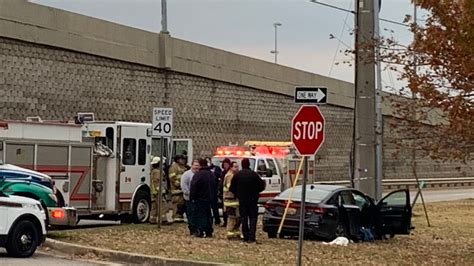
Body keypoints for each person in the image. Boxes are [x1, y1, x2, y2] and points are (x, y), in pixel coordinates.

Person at [230, 158, 265, 243]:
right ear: (249, 164)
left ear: (242, 165)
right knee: (253, 218)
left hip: (242, 201)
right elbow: (261, 186)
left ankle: (245, 236)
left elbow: (232, 188)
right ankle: (252, 237)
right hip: (253, 200)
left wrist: (238, 194)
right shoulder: (254, 175)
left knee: (244, 218)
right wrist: (256, 192)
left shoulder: (238, 175)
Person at [189, 158, 216, 238]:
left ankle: (200, 231)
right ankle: (209, 231)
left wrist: (192, 197)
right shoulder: (211, 174)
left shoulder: (198, 175)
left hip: (200, 198)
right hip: (209, 198)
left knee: (200, 215)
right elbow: (215, 185)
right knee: (208, 215)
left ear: (200, 165)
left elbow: (193, 187)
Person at [149, 156, 173, 224]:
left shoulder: (153, 171)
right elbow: (157, 182)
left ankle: (152, 219)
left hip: (153, 192)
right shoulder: (157, 172)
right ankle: (163, 219)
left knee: (154, 206)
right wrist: (161, 191)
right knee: (163, 205)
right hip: (158, 192)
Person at [181, 159, 200, 235]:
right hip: (188, 198)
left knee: (196, 214)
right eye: (195, 165)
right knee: (190, 214)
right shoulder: (186, 174)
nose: (196, 167)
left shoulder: (199, 174)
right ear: (192, 165)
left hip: (198, 199)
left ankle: (197, 228)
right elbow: (183, 185)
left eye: (198, 165)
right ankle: (192, 229)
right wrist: (188, 194)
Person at [223, 161, 241, 239]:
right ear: (231, 167)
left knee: (236, 218)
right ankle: (230, 234)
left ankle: (235, 233)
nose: (237, 168)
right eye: (235, 167)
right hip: (230, 201)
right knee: (232, 218)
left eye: (237, 167)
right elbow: (231, 188)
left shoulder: (233, 175)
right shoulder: (230, 176)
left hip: (234, 200)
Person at [168, 155, 187, 222]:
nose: (184, 161)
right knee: (176, 203)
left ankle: (179, 216)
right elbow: (172, 178)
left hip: (182, 189)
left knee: (181, 203)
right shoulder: (174, 167)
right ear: (178, 160)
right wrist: (178, 184)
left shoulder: (183, 167)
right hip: (176, 189)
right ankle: (175, 216)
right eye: (182, 159)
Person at [205, 157, 222, 225]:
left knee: (215, 207)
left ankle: (217, 220)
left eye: (208, 161)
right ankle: (209, 220)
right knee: (207, 207)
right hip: (206, 191)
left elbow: (219, 176)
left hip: (214, 189)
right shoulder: (205, 170)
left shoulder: (216, 168)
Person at [219, 158, 231, 227]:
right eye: (224, 164)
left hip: (229, 194)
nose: (225, 166)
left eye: (226, 164)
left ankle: (228, 222)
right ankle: (225, 221)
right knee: (224, 209)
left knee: (228, 209)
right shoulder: (223, 173)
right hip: (223, 193)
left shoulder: (230, 173)